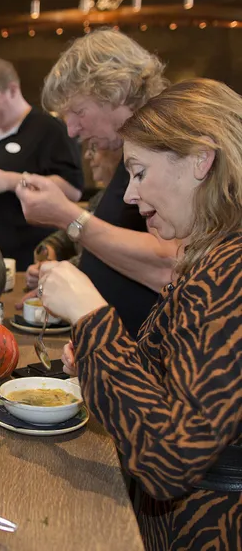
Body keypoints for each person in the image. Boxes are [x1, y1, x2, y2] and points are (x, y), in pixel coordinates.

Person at [38, 78, 242, 551]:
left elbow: (172, 460)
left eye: (140, 172)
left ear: (200, 160)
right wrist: (98, 359)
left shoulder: (229, 271)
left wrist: (91, 317)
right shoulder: (212, 254)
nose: (130, 195)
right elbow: (185, 389)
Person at [16, 29, 179, 337]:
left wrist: (67, 216)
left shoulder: (166, 146)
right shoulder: (133, 149)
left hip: (144, 360)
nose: (73, 130)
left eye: (79, 111)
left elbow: (170, 265)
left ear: (118, 89)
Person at [0, 58, 84, 270]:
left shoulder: (48, 129)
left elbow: (73, 190)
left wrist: (12, 181)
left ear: (12, 90)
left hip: (22, 256)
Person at [23, 142, 122, 291]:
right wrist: (49, 251)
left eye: (94, 147)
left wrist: (54, 271)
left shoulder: (127, 204)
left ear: (120, 153)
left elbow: (105, 258)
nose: (87, 155)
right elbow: (70, 233)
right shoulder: (100, 198)